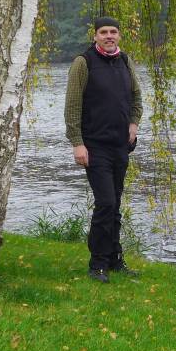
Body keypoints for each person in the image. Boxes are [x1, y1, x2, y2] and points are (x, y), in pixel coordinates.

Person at [64, 16, 143, 282]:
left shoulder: (125, 61)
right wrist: (77, 143)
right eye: (104, 32)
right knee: (106, 203)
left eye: (114, 32)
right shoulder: (83, 63)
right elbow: (72, 106)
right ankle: (97, 264)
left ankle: (114, 259)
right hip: (94, 146)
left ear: (119, 36)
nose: (109, 36)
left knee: (116, 204)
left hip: (121, 145)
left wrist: (134, 123)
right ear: (95, 36)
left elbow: (136, 97)